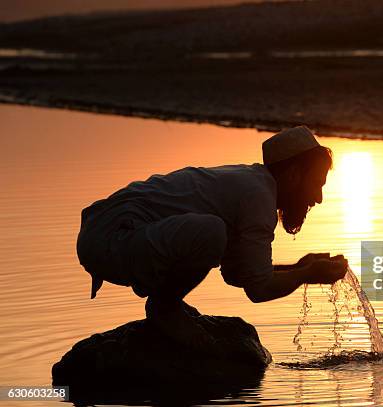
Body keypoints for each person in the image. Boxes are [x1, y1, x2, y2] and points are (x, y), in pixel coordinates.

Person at [76, 126, 348, 348]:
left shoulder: (251, 186)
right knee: (211, 232)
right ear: (293, 174)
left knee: (211, 232)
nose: (318, 198)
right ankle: (165, 307)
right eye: (317, 184)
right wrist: (305, 273)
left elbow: (238, 274)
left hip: (107, 234)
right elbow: (259, 289)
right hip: (113, 235)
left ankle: (169, 303)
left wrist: (301, 268)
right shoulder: (258, 196)